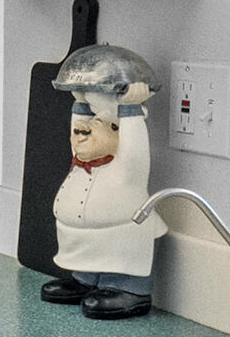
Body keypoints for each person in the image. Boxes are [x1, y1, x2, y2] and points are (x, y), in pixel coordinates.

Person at [48, 43, 158, 318]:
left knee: (118, 254)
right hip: (82, 240)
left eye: (95, 126)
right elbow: (77, 127)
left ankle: (128, 289)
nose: (82, 133)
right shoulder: (82, 158)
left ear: (116, 132)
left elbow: (135, 148)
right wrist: (82, 101)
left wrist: (130, 110)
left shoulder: (126, 167)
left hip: (120, 234)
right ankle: (85, 280)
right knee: (91, 253)